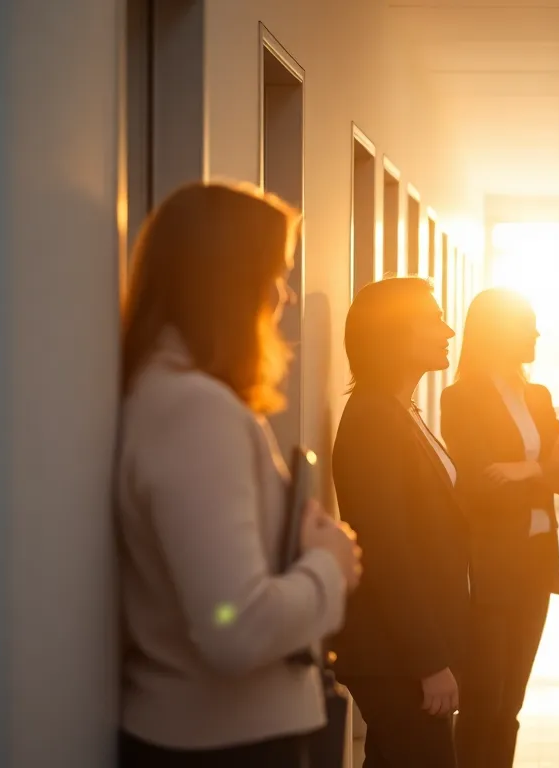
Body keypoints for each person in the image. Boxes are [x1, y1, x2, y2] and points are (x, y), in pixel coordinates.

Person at [115, 182, 361, 768]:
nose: (287, 296)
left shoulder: (167, 396)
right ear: (229, 286)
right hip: (226, 745)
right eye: (276, 274)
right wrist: (330, 564)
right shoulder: (195, 412)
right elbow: (235, 628)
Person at [441, 288, 559, 767]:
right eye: (527, 324)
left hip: (537, 566)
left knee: (511, 706)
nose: (537, 333)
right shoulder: (461, 397)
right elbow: (481, 483)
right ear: (497, 331)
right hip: (491, 567)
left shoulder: (537, 396)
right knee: (485, 702)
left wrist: (528, 470)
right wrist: (545, 467)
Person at [330, 277, 469, 767]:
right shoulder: (372, 418)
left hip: (406, 648)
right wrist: (428, 661)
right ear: (392, 335)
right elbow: (387, 550)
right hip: (395, 656)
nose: (448, 330)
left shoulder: (397, 409)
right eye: (433, 320)